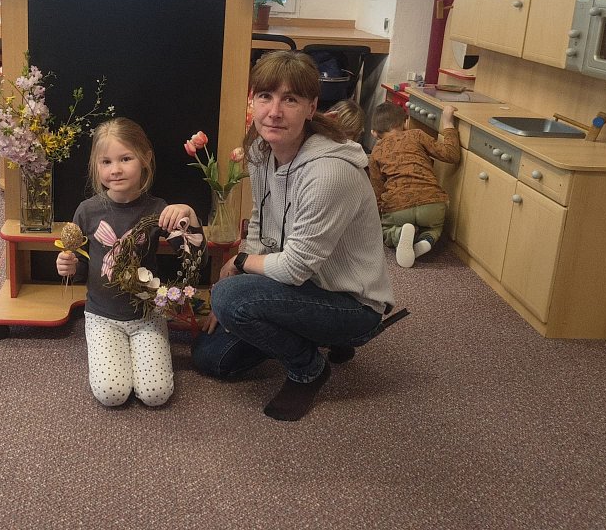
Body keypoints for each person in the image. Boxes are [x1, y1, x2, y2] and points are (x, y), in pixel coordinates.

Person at [192, 51, 395, 422]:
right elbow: (259, 220)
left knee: (228, 298)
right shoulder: (261, 149)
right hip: (299, 286)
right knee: (211, 359)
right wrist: (242, 275)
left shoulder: (329, 173)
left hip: (350, 301)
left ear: (311, 107)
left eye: (290, 99)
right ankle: (311, 335)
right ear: (252, 101)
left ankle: (308, 368)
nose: (274, 111)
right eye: (265, 96)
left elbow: (295, 268)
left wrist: (238, 265)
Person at [56, 117, 205, 408]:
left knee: (155, 394)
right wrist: (69, 267)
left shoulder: (159, 210)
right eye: (106, 162)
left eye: (125, 159)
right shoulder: (87, 211)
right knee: (112, 394)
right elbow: (83, 267)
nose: (115, 169)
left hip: (147, 316)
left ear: (145, 159)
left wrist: (189, 215)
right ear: (96, 166)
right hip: (102, 317)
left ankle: (140, 354)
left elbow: (194, 259)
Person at [367, 101, 461, 268]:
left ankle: (398, 233)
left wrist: (381, 213)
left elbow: (377, 189)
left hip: (398, 207)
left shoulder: (376, 152)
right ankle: (426, 240)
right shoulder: (416, 134)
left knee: (384, 230)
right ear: (406, 122)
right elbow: (451, 155)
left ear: (374, 133)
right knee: (436, 227)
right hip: (432, 203)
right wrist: (448, 123)